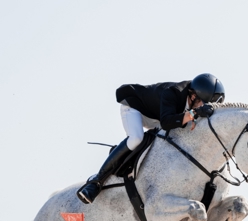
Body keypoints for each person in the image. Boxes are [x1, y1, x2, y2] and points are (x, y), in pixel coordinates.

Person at [77, 73, 226, 204]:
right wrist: (193, 114)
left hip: (158, 116)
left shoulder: (195, 97)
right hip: (136, 108)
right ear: (193, 96)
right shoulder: (173, 92)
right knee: (136, 138)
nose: (200, 108)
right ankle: (96, 182)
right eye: (201, 104)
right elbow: (167, 123)